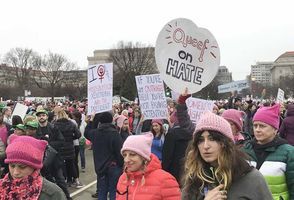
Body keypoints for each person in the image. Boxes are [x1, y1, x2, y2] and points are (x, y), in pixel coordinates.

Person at [181, 111, 273, 200]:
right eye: (200, 140)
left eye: (212, 139)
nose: (205, 146)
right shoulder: (194, 179)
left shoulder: (251, 178)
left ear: (225, 143)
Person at [242, 104, 294, 200]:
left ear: (275, 129)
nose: (257, 130)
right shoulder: (245, 150)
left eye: (262, 126)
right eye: (255, 125)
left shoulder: (289, 152)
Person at [116, 132, 181, 200]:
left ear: (144, 157)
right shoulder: (123, 178)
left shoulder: (165, 180)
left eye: (132, 154)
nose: (126, 160)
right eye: (124, 155)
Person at [0, 135, 66, 199]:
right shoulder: (1, 187)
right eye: (12, 166)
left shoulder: (53, 194)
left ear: (34, 167)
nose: (15, 172)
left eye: (22, 167)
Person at [85, 111, 123, 200]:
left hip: (100, 166)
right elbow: (119, 151)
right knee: (113, 190)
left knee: (102, 191)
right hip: (113, 166)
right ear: (111, 120)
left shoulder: (95, 133)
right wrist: (121, 165)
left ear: (100, 122)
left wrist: (92, 120)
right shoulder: (114, 133)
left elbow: (86, 132)